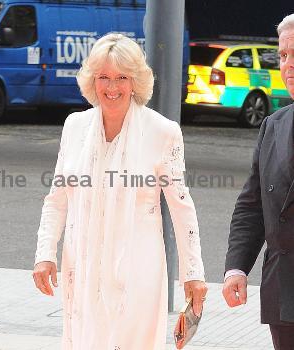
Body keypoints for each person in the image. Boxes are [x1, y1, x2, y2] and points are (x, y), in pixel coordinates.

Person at [33, 33, 207, 350]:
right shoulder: (74, 127)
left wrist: (193, 274)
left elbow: (182, 210)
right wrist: (45, 254)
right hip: (83, 270)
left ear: (135, 81)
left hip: (139, 273)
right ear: (92, 81)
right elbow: (57, 200)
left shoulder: (163, 132)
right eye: (104, 77)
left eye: (121, 77)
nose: (112, 88)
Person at [223, 14, 294, 350]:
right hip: (284, 291)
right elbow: (252, 206)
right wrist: (236, 267)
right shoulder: (273, 125)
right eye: (283, 55)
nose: (288, 65)